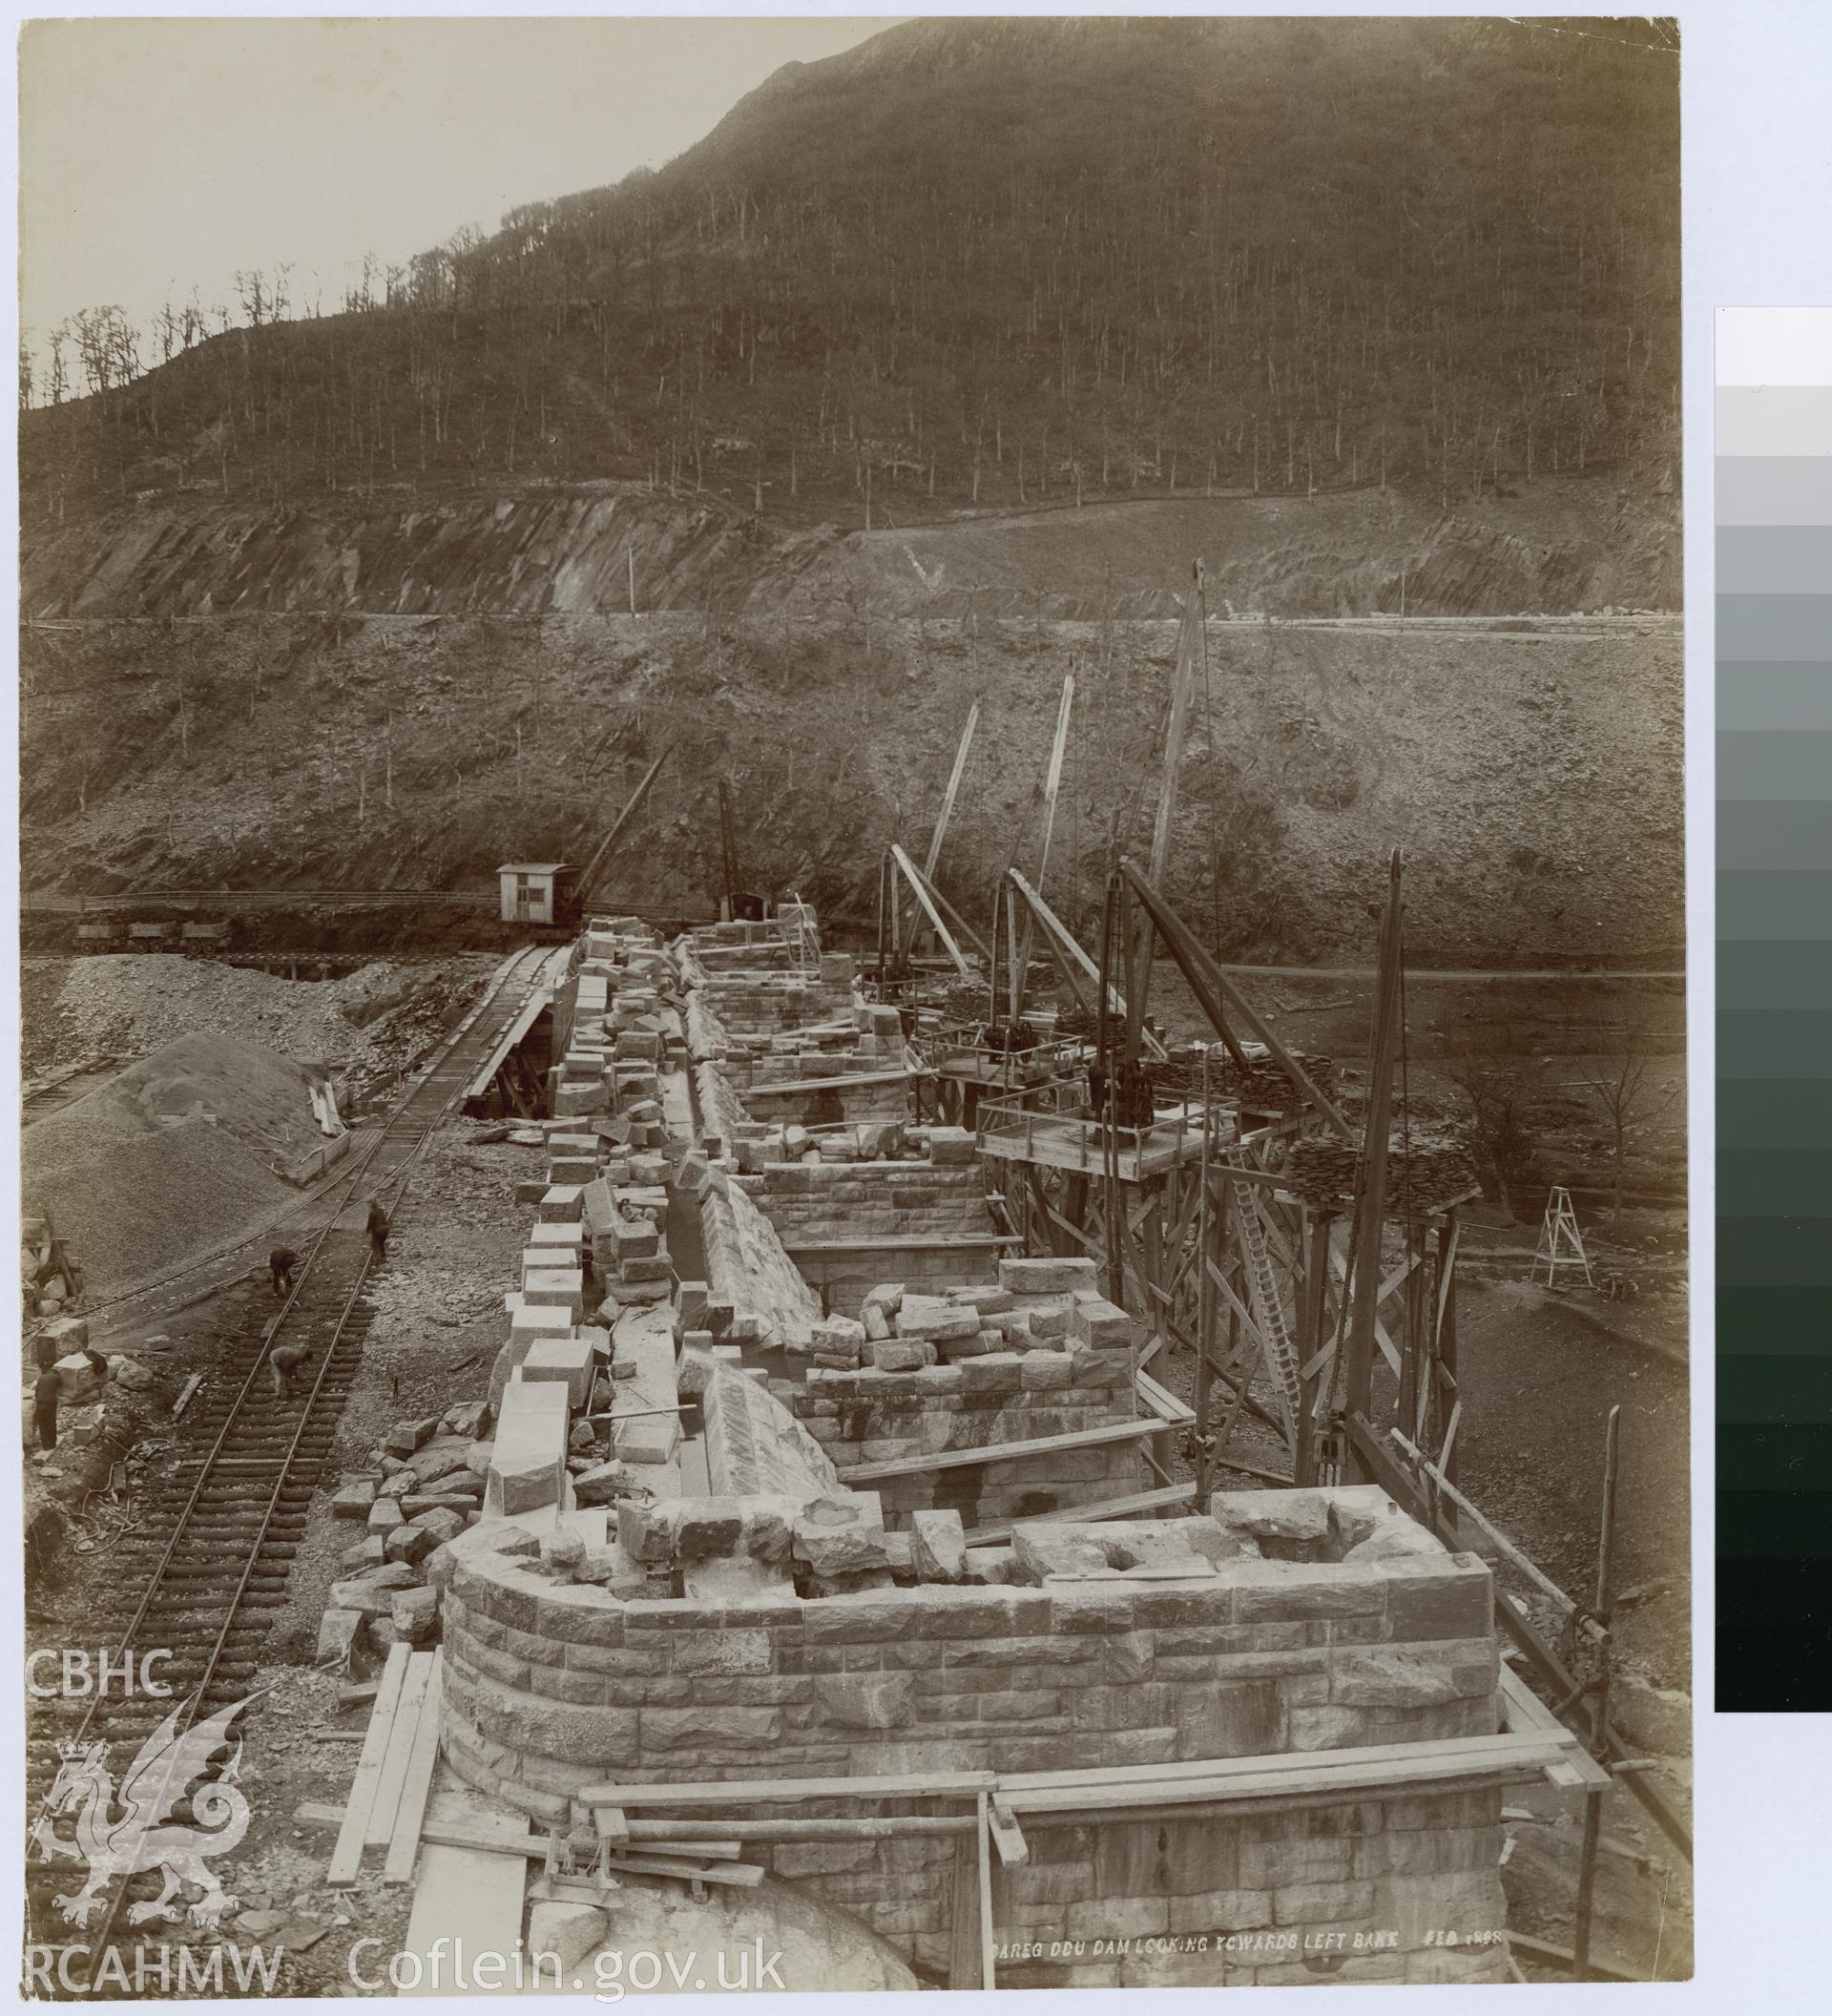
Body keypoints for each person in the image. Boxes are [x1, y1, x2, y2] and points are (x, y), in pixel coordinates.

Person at [270, 1337, 309, 1401]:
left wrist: (296, 1375)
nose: (304, 1362)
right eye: (305, 1360)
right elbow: (286, 1368)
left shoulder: (298, 1355)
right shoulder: (295, 1356)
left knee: (288, 1376)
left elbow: (292, 1366)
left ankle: (290, 1392)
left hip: (282, 1358)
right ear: (304, 1357)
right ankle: (277, 1397)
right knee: (280, 1378)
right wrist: (294, 1375)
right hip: (275, 1358)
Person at [365, 1199, 390, 1266]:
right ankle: (384, 1257)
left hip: (378, 1231)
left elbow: (370, 1224)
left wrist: (367, 1231)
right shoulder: (381, 1211)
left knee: (374, 1245)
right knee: (381, 1243)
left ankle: (378, 1260)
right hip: (385, 1230)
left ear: (372, 1207)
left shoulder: (372, 1213)